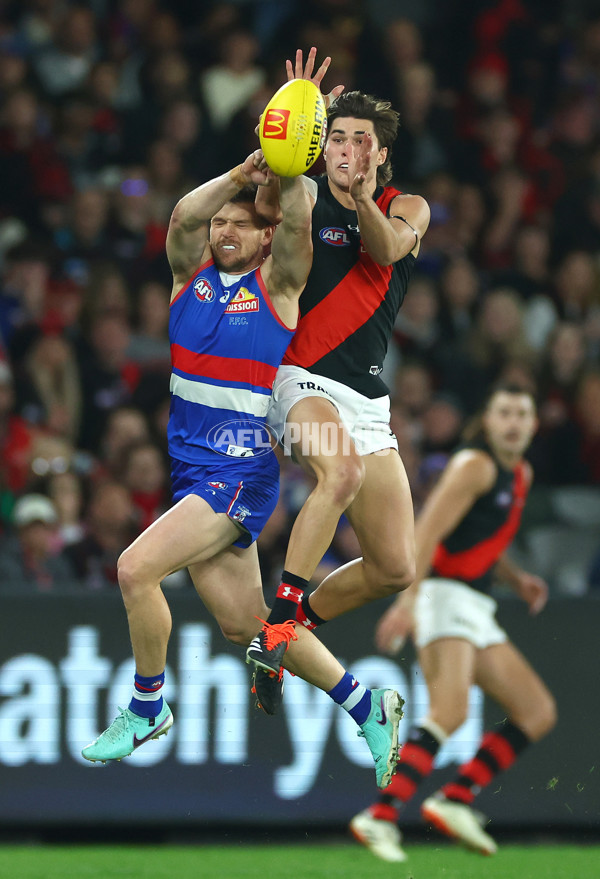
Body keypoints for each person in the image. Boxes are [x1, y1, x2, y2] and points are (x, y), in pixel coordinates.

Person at [81, 137, 404, 789]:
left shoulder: (279, 286)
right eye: (221, 221)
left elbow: (293, 230)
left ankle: (147, 704)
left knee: (135, 569)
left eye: (240, 222)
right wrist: (235, 175)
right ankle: (371, 706)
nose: (225, 229)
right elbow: (180, 220)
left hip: (240, 469)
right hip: (191, 470)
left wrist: (283, 173)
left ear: (265, 239)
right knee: (244, 625)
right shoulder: (187, 280)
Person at [246, 49, 430, 707]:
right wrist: (290, 125)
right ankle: (276, 620)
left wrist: (360, 203)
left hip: (368, 403)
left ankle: (293, 627)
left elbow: (384, 249)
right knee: (341, 473)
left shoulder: (406, 206)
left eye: (362, 141)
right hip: (300, 381)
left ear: (381, 155)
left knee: (395, 568)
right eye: (339, 137)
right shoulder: (303, 191)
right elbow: (267, 197)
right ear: (323, 148)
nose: (349, 149)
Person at [350, 384, 557, 861]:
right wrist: (407, 603)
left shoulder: (519, 473)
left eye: (521, 414)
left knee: (537, 711)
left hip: (475, 604)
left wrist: (517, 578)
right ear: (487, 421)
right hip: (443, 596)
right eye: (503, 412)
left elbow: (484, 535)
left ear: (533, 425)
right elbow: (427, 533)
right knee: (451, 711)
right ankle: (379, 815)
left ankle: (456, 797)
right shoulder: (474, 466)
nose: (512, 422)